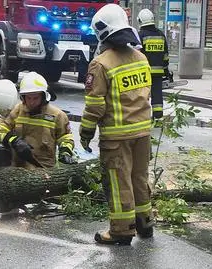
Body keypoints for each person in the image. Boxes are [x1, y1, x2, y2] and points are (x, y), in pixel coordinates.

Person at [80, 4, 154, 245]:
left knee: (118, 181)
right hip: (142, 132)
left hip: (116, 137)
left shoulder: (101, 64)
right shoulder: (141, 58)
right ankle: (145, 223)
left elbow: (95, 105)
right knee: (139, 178)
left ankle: (121, 231)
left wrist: (86, 131)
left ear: (103, 31)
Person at [0, 72, 76, 170]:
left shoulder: (57, 115)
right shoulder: (16, 111)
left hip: (42, 167)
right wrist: (14, 141)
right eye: (28, 98)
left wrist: (65, 151)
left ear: (43, 97)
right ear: (23, 97)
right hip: (17, 165)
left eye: (35, 98)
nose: (31, 102)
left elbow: (65, 137)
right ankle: (3, 180)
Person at [137, 8, 170, 119]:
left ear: (140, 21)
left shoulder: (140, 36)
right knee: (157, 94)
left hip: (144, 72)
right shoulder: (161, 35)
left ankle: (143, 116)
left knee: (143, 94)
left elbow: (137, 55)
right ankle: (158, 116)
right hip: (158, 72)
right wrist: (166, 70)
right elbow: (165, 55)